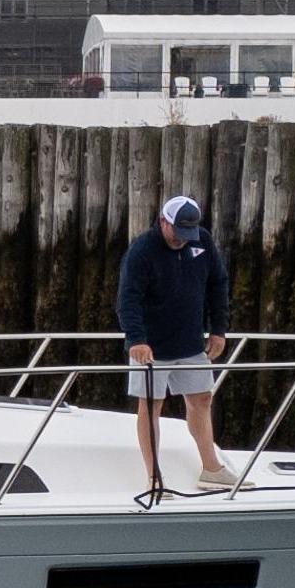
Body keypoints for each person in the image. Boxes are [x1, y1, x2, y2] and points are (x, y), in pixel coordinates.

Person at [118, 193, 232, 495]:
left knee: (202, 399)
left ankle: (212, 469)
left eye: (188, 232)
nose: (182, 238)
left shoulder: (202, 241)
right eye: (178, 231)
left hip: (191, 341)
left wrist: (219, 329)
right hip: (151, 348)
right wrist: (136, 339)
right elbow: (128, 298)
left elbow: (218, 283)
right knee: (151, 405)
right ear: (163, 222)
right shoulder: (142, 250)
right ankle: (154, 476)